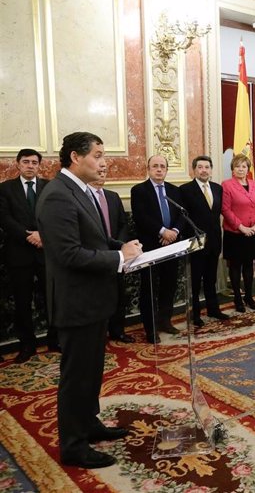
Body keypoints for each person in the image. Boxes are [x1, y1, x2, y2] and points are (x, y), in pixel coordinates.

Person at [36, 131, 142, 469]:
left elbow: (95, 238)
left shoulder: (80, 191)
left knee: (92, 372)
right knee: (77, 377)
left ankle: (89, 423)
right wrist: (118, 259)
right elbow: (69, 254)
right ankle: (73, 445)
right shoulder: (57, 196)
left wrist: (120, 248)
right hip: (76, 303)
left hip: (94, 301)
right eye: (97, 154)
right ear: (75, 158)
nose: (104, 161)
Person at [0, 149, 59, 363]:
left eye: (34, 162)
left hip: (46, 252)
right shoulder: (5, 189)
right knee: (22, 302)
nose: (30, 165)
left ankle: (55, 340)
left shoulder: (50, 187)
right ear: (18, 164)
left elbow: (57, 215)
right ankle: (27, 345)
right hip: (19, 253)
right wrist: (29, 236)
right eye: (26, 162)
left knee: (52, 298)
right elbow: (4, 219)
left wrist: (43, 235)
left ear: (39, 165)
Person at [131, 155, 184, 343]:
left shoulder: (174, 191)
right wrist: (162, 231)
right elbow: (140, 216)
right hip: (151, 247)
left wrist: (174, 232)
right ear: (148, 169)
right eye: (155, 166)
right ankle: (151, 328)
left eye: (162, 166)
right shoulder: (139, 190)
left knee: (169, 286)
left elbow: (181, 214)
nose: (159, 169)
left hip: (172, 246)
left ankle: (165, 321)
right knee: (150, 288)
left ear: (167, 170)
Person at [180, 155, 229, 326]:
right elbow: (184, 218)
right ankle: (196, 314)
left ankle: (213, 309)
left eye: (207, 167)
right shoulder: (185, 190)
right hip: (196, 241)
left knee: (211, 278)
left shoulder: (217, 188)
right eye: (200, 167)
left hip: (214, 240)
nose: (204, 170)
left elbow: (216, 215)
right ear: (194, 170)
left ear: (211, 169)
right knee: (195, 280)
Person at [88, 172, 135, 343]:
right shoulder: (85, 197)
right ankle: (98, 335)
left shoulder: (112, 196)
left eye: (103, 173)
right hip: (96, 255)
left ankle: (118, 331)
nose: (100, 176)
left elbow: (123, 223)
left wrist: (120, 245)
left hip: (117, 254)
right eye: (98, 172)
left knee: (119, 295)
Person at [222, 154, 255, 309]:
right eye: (237, 166)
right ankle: (237, 298)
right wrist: (241, 227)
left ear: (248, 169)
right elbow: (225, 210)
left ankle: (249, 296)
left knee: (249, 265)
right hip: (234, 233)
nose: (241, 169)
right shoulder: (226, 185)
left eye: (244, 166)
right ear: (232, 169)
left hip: (252, 232)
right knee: (235, 266)